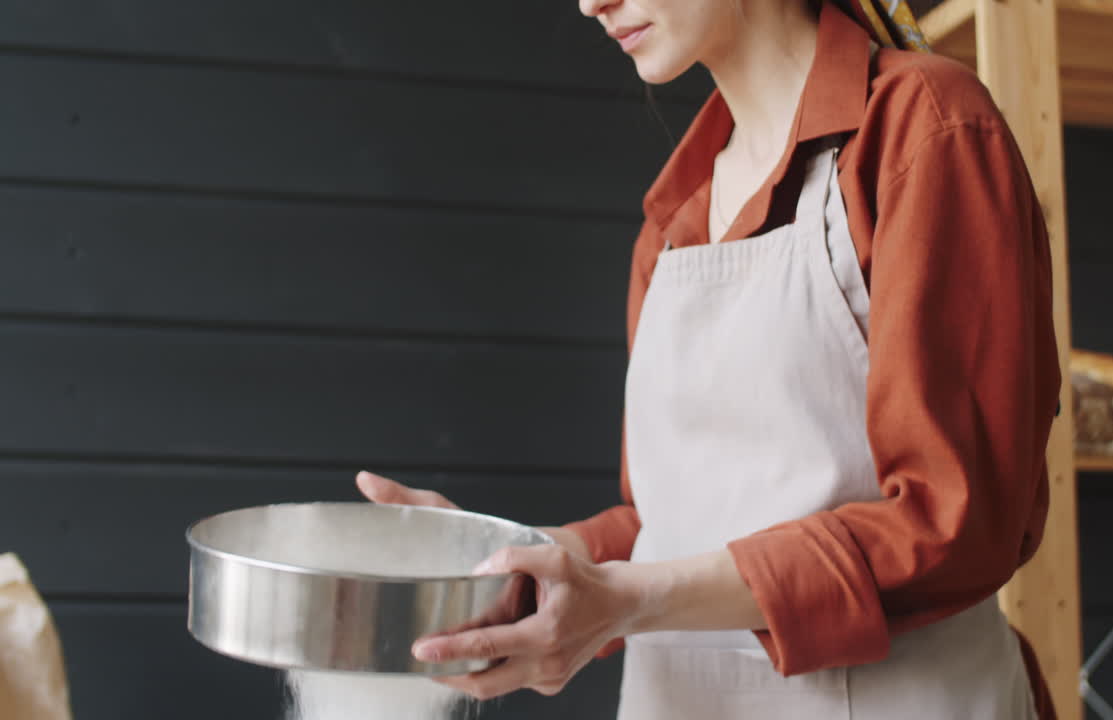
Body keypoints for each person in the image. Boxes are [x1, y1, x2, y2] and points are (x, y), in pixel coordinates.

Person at [356, 0, 1061, 716]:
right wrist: (508, 564)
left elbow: (954, 522)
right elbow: (667, 523)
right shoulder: (671, 222)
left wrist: (628, 601)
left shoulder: (924, 126)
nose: (590, 3)